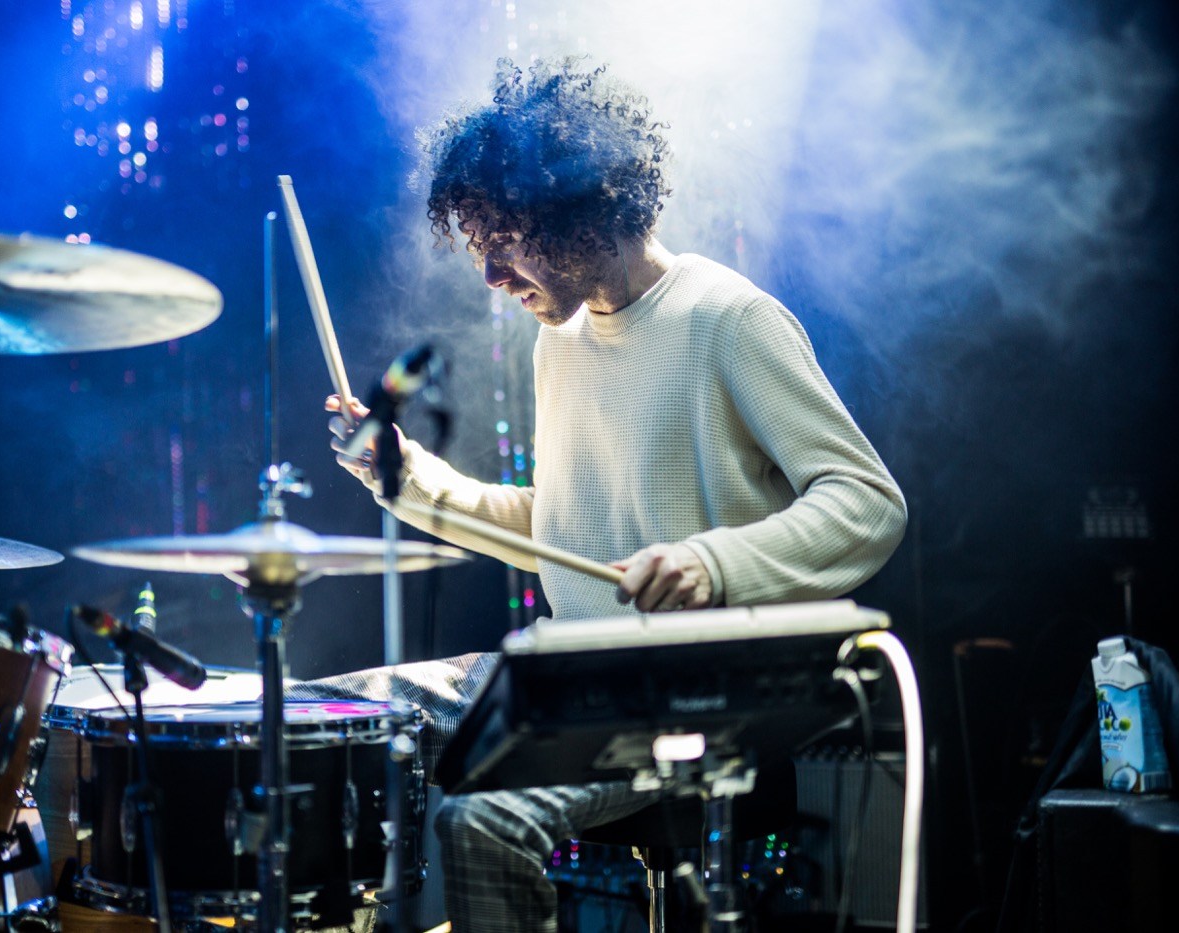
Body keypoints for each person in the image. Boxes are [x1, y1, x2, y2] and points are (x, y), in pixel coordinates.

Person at [299, 54, 908, 932]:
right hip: (569, 670)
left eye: (504, 244)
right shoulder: (561, 341)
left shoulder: (729, 319)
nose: (490, 277)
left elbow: (867, 501)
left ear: (582, 213)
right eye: (480, 250)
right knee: (324, 720)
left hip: (686, 693)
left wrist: (711, 562)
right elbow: (559, 525)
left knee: (481, 821)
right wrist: (405, 476)